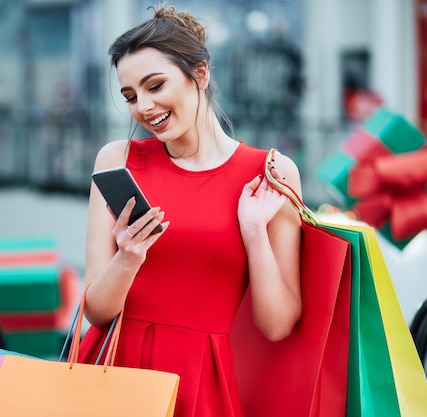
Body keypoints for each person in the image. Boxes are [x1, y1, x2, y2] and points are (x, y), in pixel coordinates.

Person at [77, 4, 303, 417]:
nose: (142, 107)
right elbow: (95, 310)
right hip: (112, 375)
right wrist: (128, 257)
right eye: (130, 95)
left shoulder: (270, 173)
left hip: (200, 384)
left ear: (200, 74)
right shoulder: (117, 160)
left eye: (155, 85)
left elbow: (277, 325)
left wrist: (253, 231)